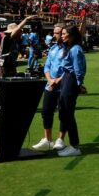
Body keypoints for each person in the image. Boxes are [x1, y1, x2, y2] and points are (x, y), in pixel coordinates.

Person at [32, 23, 65, 152]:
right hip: (50, 85)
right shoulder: (53, 49)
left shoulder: (69, 49)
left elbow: (69, 69)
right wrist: (50, 80)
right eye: (54, 32)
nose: (54, 35)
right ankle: (48, 139)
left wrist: (57, 80)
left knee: (64, 113)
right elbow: (47, 67)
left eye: (57, 33)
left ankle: (60, 139)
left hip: (63, 86)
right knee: (46, 112)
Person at [55, 25, 87, 157]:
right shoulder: (69, 48)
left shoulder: (75, 49)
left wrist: (79, 85)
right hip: (66, 79)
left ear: (71, 35)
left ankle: (75, 145)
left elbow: (78, 69)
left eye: (64, 34)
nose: (61, 36)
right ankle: (70, 143)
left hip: (70, 79)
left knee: (68, 112)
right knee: (64, 111)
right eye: (61, 33)